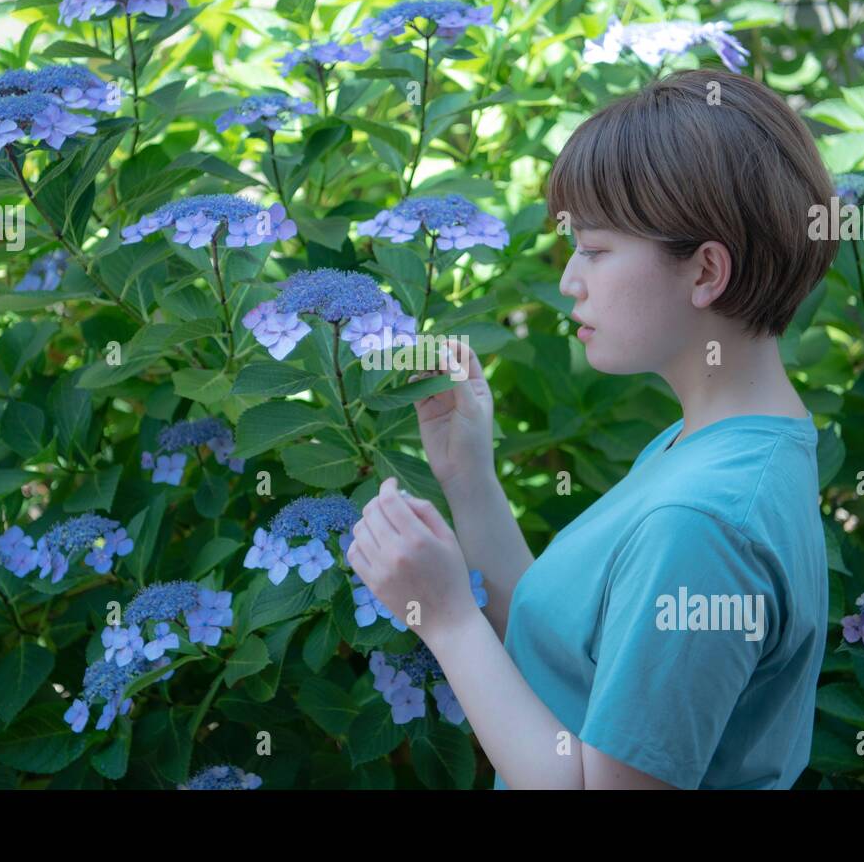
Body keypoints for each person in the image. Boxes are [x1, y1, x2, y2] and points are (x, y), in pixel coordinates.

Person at [346, 68, 835, 789]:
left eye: (596, 250)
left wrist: (446, 617)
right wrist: (468, 475)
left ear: (705, 270)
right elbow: (564, 657)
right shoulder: (723, 445)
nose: (570, 279)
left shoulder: (702, 523)